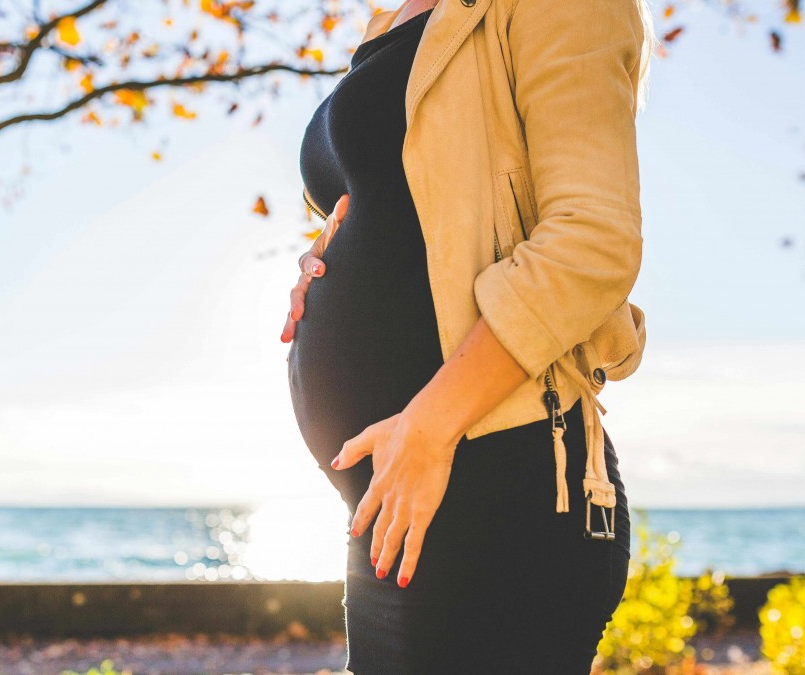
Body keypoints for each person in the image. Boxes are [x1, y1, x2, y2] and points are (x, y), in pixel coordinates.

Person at [282, 0, 654, 672]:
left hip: (494, 482)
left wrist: (429, 425)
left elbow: (593, 241)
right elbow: (407, 206)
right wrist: (322, 256)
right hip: (394, 496)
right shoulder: (392, 22)